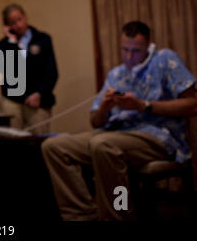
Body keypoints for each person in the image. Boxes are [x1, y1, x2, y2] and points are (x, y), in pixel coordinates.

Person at [41, 21, 196, 221]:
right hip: (117, 134)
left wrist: (144, 105)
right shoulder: (116, 74)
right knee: (53, 146)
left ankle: (117, 215)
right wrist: (104, 107)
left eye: (136, 51)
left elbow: (193, 104)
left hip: (158, 136)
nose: (129, 57)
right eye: (125, 50)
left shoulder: (164, 59)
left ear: (149, 46)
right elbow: (95, 122)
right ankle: (81, 215)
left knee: (103, 145)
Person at [0, 4, 58, 134]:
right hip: (13, 99)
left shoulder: (43, 39)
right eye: (13, 23)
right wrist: (11, 43)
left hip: (38, 100)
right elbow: (1, 67)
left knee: (37, 142)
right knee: (10, 142)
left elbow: (51, 71)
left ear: (25, 17)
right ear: (8, 26)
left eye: (19, 19)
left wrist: (39, 93)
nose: (18, 25)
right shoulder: (4, 44)